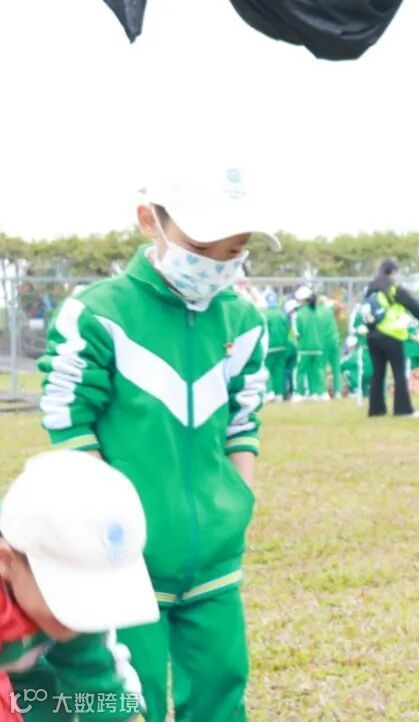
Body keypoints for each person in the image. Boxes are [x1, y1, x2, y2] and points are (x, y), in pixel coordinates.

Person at [37, 162, 277, 722]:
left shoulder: (244, 321)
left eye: (234, 249)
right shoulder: (99, 313)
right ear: (150, 221)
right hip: (123, 560)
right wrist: (107, 519)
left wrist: (239, 498)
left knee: (222, 686)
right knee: (125, 697)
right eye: (202, 246)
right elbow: (67, 417)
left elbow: (244, 419)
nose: (217, 262)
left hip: (215, 557)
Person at [3, 450, 158, 722]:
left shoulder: (77, 619)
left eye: (98, 594)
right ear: (6, 562)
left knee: (49, 703)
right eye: (68, 594)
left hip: (24, 676)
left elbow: (99, 686)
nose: (82, 615)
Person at [362, 260, 419, 418]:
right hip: (391, 335)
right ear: (392, 273)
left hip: (372, 336)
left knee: (378, 373)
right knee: (399, 373)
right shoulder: (393, 290)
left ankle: (376, 410)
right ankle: (403, 409)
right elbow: (414, 306)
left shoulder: (371, 290)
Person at [292, 286, 326, 401]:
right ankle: (320, 392)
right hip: (318, 346)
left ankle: (299, 393)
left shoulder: (298, 314)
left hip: (304, 347)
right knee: (318, 370)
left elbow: (296, 333)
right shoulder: (318, 311)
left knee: (301, 371)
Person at [263, 291, 291, 401]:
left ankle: (270, 391)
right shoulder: (282, 314)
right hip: (282, 346)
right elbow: (288, 329)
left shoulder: (265, 315)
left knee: (267, 369)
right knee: (279, 370)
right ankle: (279, 393)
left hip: (269, 347)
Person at [316, 295, 343, 398]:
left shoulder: (316, 311)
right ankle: (338, 391)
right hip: (335, 340)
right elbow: (339, 305)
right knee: (336, 367)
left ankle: (323, 391)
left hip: (324, 342)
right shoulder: (329, 309)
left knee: (322, 367)